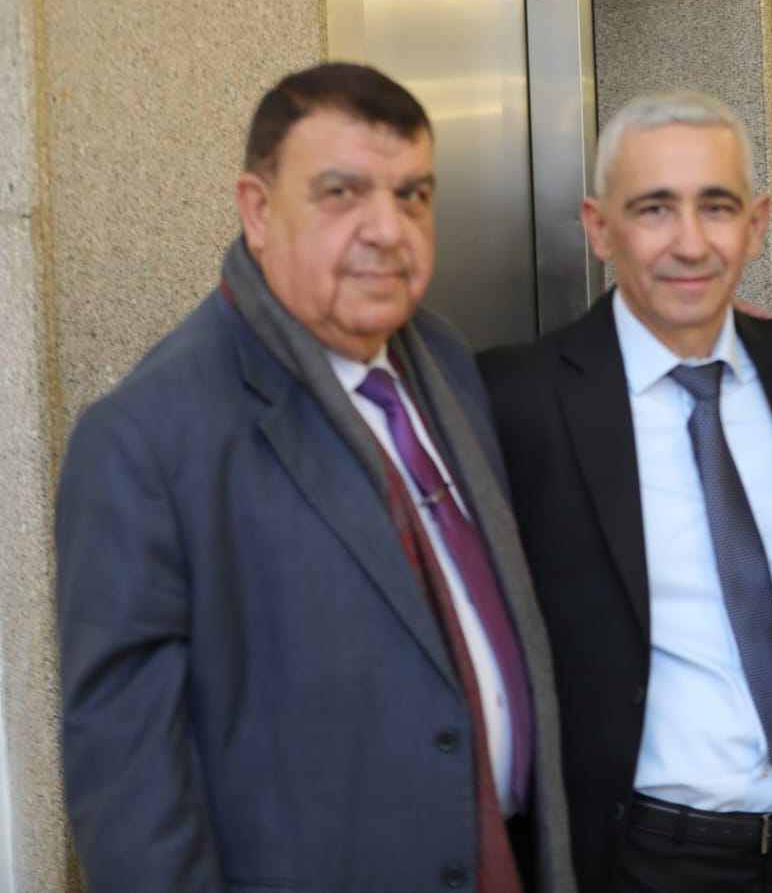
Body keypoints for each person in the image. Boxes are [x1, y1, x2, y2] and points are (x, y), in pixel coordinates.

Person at [55, 63, 574, 893]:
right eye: (342, 194)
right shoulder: (145, 441)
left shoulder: (442, 356)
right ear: (258, 211)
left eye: (413, 194)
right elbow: (130, 798)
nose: (388, 230)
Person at [478, 89, 772, 893]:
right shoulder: (521, 401)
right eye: (654, 209)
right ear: (598, 228)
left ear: (756, 224)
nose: (690, 243)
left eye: (716, 207)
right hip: (649, 859)